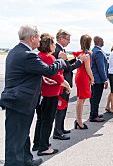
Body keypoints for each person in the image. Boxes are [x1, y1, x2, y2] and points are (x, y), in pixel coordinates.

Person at [0, 25, 66, 166]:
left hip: (18, 101)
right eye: (38, 37)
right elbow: (48, 70)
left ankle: (26, 160)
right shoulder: (27, 55)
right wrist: (60, 61)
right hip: (19, 102)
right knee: (16, 140)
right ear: (32, 38)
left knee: (23, 135)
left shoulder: (16, 51)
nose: (39, 41)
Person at [33, 33, 71, 156]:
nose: (54, 45)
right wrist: (67, 86)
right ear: (48, 45)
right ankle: (44, 147)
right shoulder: (49, 58)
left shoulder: (39, 56)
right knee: (47, 121)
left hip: (42, 93)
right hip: (50, 93)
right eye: (53, 43)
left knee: (41, 119)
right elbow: (57, 76)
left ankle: (37, 143)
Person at [53, 29, 83, 140]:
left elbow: (66, 64)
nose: (69, 42)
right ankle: (57, 132)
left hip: (63, 83)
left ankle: (60, 128)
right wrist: (79, 63)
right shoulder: (57, 50)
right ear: (61, 38)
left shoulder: (60, 49)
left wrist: (75, 59)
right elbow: (67, 68)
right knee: (61, 107)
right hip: (62, 84)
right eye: (68, 39)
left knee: (63, 107)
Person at [73, 34, 94, 130]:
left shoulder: (79, 53)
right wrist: (92, 78)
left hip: (79, 76)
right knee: (81, 99)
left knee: (81, 98)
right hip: (84, 77)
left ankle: (78, 120)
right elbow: (88, 68)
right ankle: (79, 121)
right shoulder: (86, 55)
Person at [89, 36, 108, 122]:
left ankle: (94, 113)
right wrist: (105, 79)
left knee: (93, 97)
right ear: (99, 42)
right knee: (96, 98)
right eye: (103, 40)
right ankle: (93, 116)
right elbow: (101, 68)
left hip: (94, 79)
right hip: (98, 79)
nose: (104, 41)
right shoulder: (99, 52)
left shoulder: (94, 50)